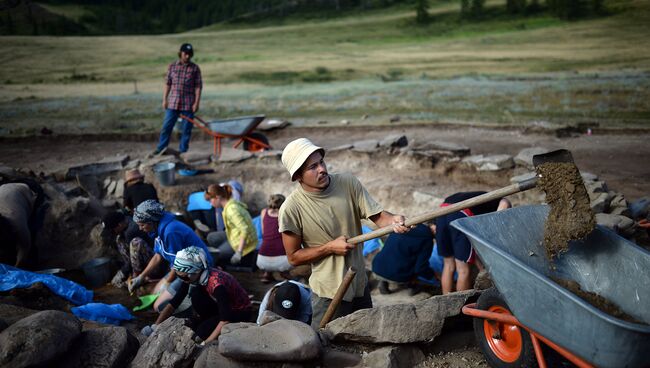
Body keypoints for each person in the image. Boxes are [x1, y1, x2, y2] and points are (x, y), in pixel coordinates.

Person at [279, 138, 411, 329]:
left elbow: (378, 217)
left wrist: (393, 221)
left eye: (321, 162)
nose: (322, 169)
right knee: (326, 345)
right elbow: (293, 257)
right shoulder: (292, 208)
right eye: (312, 167)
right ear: (298, 176)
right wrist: (329, 247)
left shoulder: (347, 183)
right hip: (329, 292)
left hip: (359, 285)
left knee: (367, 337)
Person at [141, 246, 252, 343]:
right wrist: (156, 326)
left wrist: (206, 343)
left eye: (183, 277)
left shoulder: (217, 285)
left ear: (196, 272)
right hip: (222, 307)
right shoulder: (192, 278)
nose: (182, 279)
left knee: (200, 333)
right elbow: (175, 302)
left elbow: (225, 319)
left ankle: (208, 324)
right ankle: (207, 319)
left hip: (239, 311)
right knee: (195, 294)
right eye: (178, 276)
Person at [129, 200, 213, 312]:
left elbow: (179, 265)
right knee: (154, 293)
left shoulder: (170, 232)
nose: (140, 228)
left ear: (152, 221)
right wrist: (141, 277)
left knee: (158, 307)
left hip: (195, 270)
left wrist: (167, 283)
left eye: (142, 225)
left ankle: (195, 306)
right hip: (181, 267)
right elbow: (158, 256)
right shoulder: (158, 230)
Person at [435, 192, 511, 294]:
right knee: (463, 270)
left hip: (441, 212)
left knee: (448, 265)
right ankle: (460, 306)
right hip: (460, 213)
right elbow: (497, 218)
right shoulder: (503, 200)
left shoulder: (478, 197)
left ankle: (445, 302)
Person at [153, 43, 202, 155]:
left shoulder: (195, 68)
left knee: (186, 129)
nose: (187, 56)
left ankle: (183, 151)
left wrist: (196, 103)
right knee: (166, 127)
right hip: (173, 103)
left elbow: (198, 87)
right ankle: (161, 148)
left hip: (189, 104)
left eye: (190, 54)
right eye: (185, 54)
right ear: (180, 53)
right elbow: (168, 84)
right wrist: (164, 99)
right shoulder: (172, 66)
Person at [372, 223, 437, 296]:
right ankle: (412, 286)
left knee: (394, 254)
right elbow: (420, 268)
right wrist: (433, 276)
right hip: (398, 275)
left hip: (377, 267)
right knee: (415, 266)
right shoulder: (427, 239)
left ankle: (383, 282)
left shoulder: (406, 224)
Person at [204, 184, 258, 267]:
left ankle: (229, 257)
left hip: (247, 242)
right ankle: (224, 250)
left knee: (217, 254)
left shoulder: (231, 210)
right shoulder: (229, 204)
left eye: (211, 200)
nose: (211, 204)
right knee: (211, 237)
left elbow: (244, 229)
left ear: (218, 197)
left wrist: (239, 252)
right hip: (233, 234)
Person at [101, 211, 158, 288]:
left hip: (155, 264)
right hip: (143, 261)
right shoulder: (127, 220)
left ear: (119, 225)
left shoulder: (131, 231)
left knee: (135, 243)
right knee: (119, 239)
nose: (112, 232)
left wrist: (123, 273)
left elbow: (132, 259)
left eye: (112, 230)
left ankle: (138, 277)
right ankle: (135, 277)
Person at [256, 194, 291, 283]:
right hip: (283, 262)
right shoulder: (285, 214)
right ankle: (284, 273)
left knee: (268, 240)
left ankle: (267, 274)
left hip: (261, 260)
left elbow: (264, 233)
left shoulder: (263, 212)